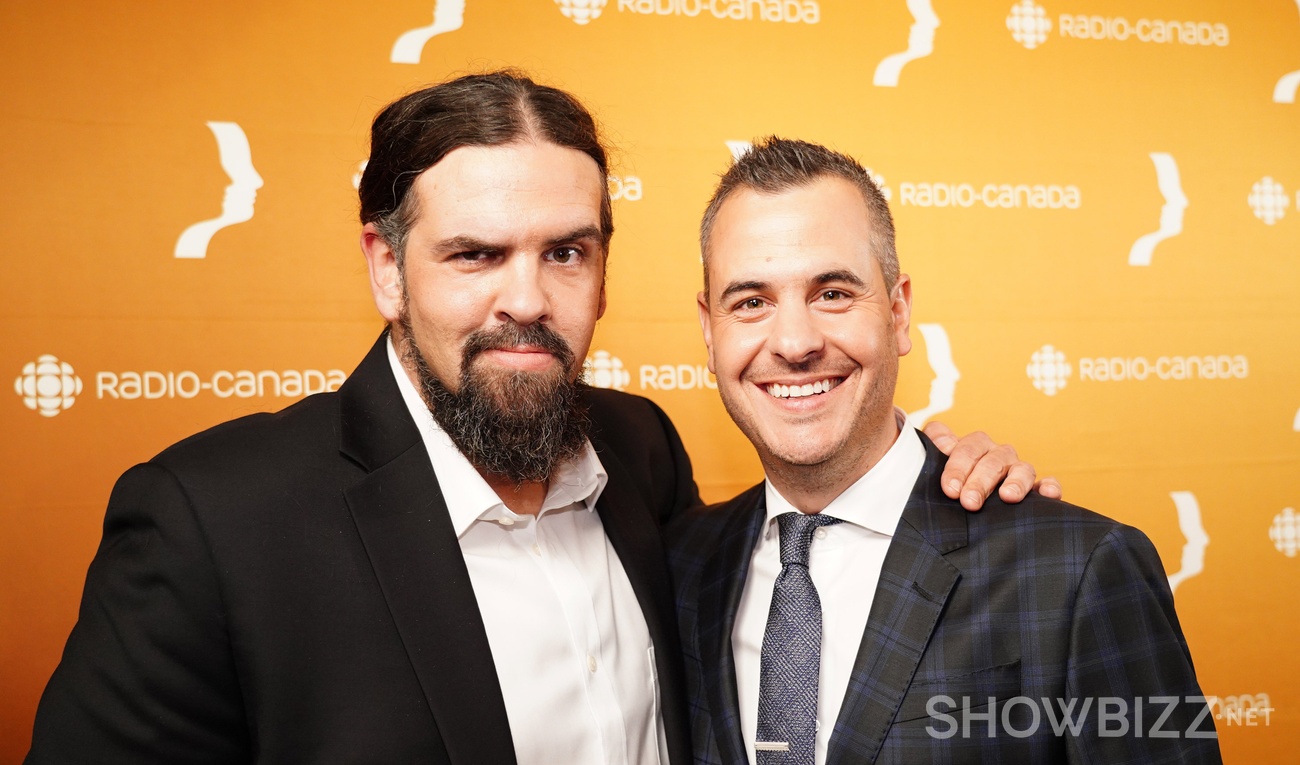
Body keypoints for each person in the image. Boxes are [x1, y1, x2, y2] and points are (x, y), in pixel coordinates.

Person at [27, 73, 1048, 765]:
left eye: (565, 251)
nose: (525, 298)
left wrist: (926, 481)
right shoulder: (215, 520)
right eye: (475, 255)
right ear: (387, 269)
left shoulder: (640, 451)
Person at [669, 137, 1221, 764]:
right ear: (710, 332)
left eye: (833, 294)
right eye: (751, 303)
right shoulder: (683, 566)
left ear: (899, 313)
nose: (794, 342)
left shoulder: (1077, 570)